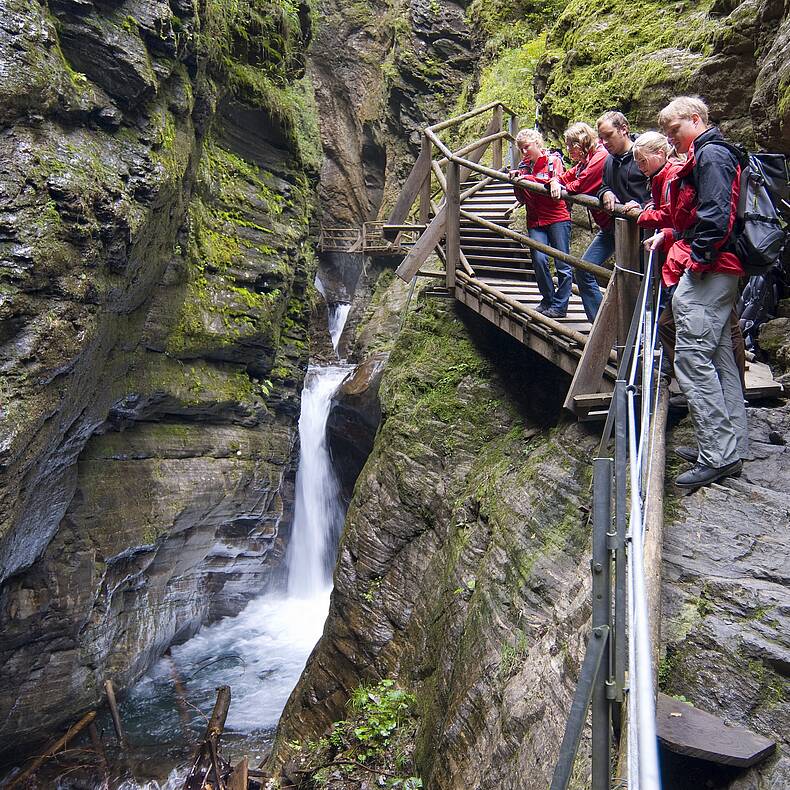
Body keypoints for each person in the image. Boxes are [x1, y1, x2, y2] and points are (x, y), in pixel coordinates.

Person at [645, 96, 748, 489]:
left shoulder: (712, 156)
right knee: (720, 357)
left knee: (690, 359)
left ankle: (718, 455)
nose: (672, 140)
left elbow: (716, 213)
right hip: (721, 267)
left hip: (711, 268)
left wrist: (696, 259)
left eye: (674, 131)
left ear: (694, 119)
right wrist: (677, 236)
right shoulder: (713, 153)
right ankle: (731, 445)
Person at [632, 131, 747, 391]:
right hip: (692, 257)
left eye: (642, 161)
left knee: (722, 327)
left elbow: (695, 217)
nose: (639, 167)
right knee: (693, 325)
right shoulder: (666, 175)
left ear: (659, 154)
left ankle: (712, 388)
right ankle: (713, 388)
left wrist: (647, 217)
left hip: (704, 260)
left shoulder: (685, 169)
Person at [548, 121, 610, 321]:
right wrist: (555, 181)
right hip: (608, 227)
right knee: (583, 270)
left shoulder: (599, 157)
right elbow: (566, 177)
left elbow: (580, 185)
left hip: (622, 226)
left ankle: (609, 327)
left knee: (631, 278)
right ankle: (601, 324)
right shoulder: (585, 161)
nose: (568, 150)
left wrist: (563, 187)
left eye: (570, 145)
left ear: (580, 143)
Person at [507, 129, 573, 318]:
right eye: (521, 149)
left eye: (526, 147)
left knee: (562, 263)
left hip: (557, 217)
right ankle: (548, 299)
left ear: (537, 143)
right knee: (539, 259)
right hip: (535, 219)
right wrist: (517, 183)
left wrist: (525, 179)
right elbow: (521, 197)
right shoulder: (523, 167)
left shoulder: (554, 161)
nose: (524, 152)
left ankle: (560, 306)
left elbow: (554, 183)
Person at [596, 111, 651, 212]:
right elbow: (604, 185)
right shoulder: (609, 160)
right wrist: (606, 192)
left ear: (623, 129)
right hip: (618, 224)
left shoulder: (646, 155)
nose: (604, 142)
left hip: (645, 222)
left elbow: (660, 193)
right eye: (601, 138)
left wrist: (642, 206)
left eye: (608, 135)